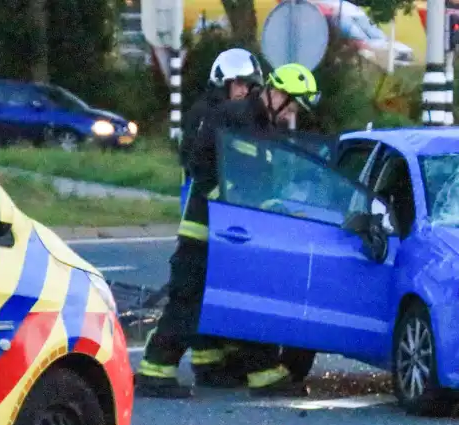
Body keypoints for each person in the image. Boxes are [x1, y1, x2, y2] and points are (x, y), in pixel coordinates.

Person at [135, 62, 322, 399]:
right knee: (187, 300)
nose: (291, 112)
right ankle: (155, 372)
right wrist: (227, 202)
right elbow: (200, 162)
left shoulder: (264, 128)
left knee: (244, 298)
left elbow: (257, 182)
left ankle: (256, 371)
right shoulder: (231, 116)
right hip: (206, 228)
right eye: (291, 103)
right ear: (277, 92)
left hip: (238, 232)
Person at [172, 48, 265, 390]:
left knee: (214, 293)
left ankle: (210, 362)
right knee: (192, 295)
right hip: (204, 221)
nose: (244, 92)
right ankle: (197, 362)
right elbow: (200, 164)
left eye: (249, 87)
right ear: (222, 82)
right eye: (238, 84)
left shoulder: (234, 117)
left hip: (225, 222)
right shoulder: (207, 115)